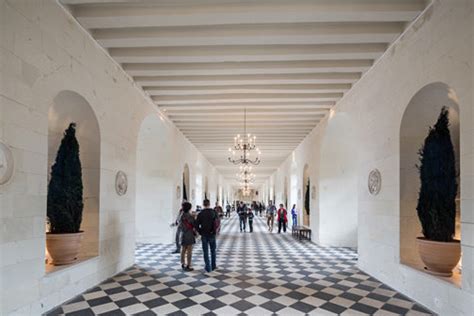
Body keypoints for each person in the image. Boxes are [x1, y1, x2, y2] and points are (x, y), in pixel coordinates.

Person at [196, 199, 219, 273]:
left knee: (205, 251)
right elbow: (218, 222)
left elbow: (196, 224)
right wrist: (215, 231)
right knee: (213, 251)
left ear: (203, 204)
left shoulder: (201, 213)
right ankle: (213, 265)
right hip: (212, 233)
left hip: (204, 234)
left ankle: (208, 267)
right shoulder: (214, 212)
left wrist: (200, 232)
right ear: (209, 204)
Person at [180, 202, 195, 271]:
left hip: (183, 234)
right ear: (189, 208)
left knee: (183, 250)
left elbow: (179, 225)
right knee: (189, 250)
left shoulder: (181, 216)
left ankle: (182, 263)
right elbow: (194, 224)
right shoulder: (190, 216)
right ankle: (188, 265)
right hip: (189, 234)